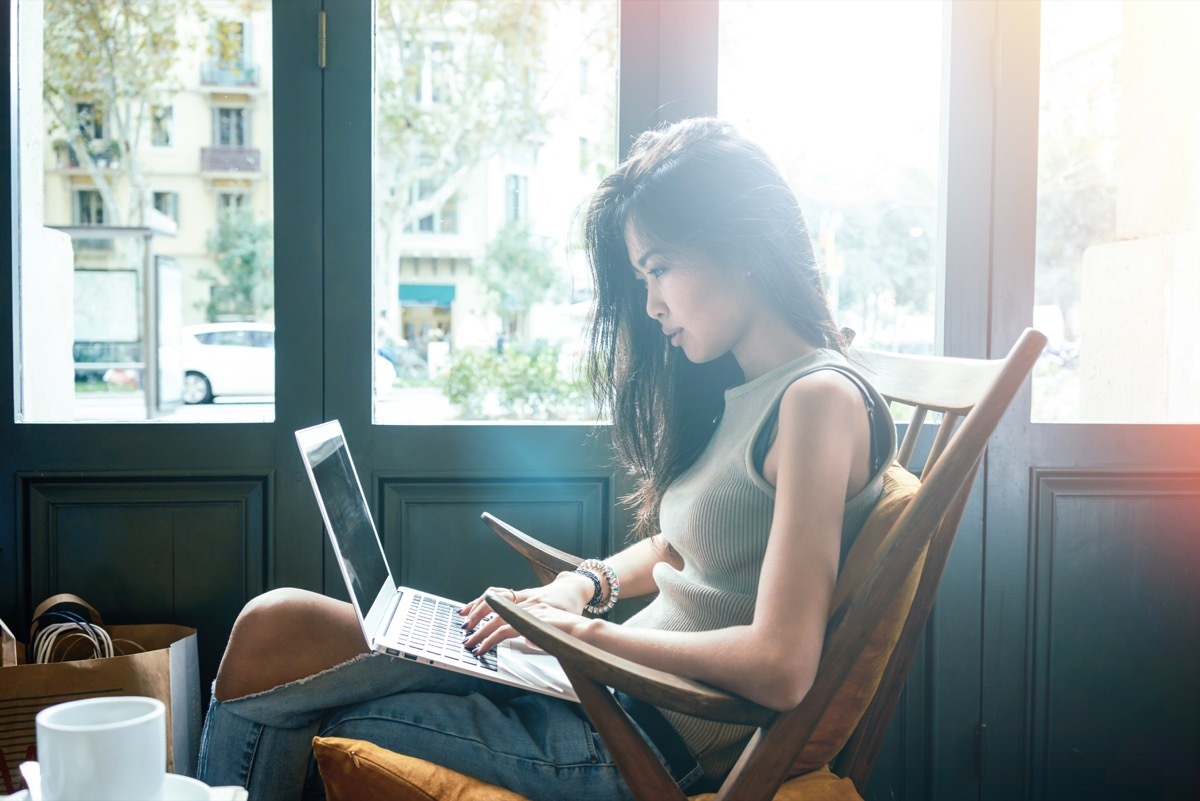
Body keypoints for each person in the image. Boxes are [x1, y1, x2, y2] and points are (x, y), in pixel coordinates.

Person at [196, 117, 896, 801]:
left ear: (740, 243)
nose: (650, 303)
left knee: (313, 705)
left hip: (632, 738)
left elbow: (781, 666)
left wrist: (579, 639)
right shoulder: (748, 389)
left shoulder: (818, 401)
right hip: (594, 689)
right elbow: (690, 545)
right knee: (275, 623)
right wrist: (580, 588)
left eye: (659, 269)